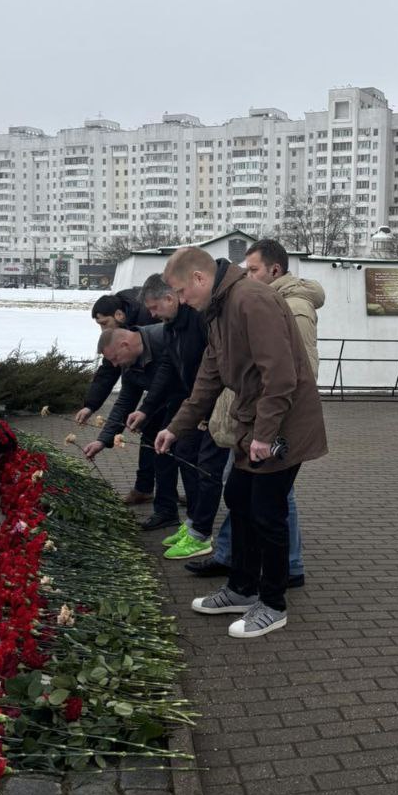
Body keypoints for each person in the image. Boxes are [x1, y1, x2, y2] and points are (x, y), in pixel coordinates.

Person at [155, 246, 327, 640]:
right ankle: (242, 588)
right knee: (239, 498)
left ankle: (273, 605)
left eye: (181, 292)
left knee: (267, 512)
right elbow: (209, 377)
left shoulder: (251, 300)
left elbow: (281, 376)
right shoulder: (219, 307)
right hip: (255, 422)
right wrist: (176, 427)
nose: (181, 301)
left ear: (199, 278)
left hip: (282, 425)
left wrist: (264, 435)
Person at [188, 238, 324, 589]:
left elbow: (297, 371)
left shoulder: (290, 307)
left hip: (274, 424)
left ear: (274, 270)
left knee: (270, 502)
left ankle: (285, 569)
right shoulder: (245, 303)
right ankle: (237, 563)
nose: (245, 276)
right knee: (243, 496)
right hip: (253, 419)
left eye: (253, 270)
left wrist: (267, 428)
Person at [129, 274, 229, 557]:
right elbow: (168, 367)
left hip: (213, 403)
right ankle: (194, 522)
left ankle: (201, 533)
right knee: (184, 453)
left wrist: (204, 409)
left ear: (170, 298)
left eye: (154, 307)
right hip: (193, 403)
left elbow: (213, 367)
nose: (151, 315)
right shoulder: (171, 326)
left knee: (205, 467)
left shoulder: (198, 320)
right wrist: (146, 408)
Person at [81, 325, 181, 523]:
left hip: (189, 403)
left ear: (125, 345)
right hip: (160, 407)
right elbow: (125, 401)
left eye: (115, 358)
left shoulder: (164, 337)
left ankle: (196, 523)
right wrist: (103, 440)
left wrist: (147, 410)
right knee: (160, 454)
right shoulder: (129, 364)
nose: (115, 365)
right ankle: (166, 512)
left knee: (185, 456)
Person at [73, 285, 157, 505]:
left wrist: (146, 408)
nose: (102, 330)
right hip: (153, 387)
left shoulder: (149, 321)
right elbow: (109, 370)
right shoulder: (119, 335)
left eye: (104, 323)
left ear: (119, 315)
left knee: (165, 436)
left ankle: (180, 500)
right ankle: (146, 489)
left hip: (172, 387)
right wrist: (91, 405)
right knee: (151, 434)